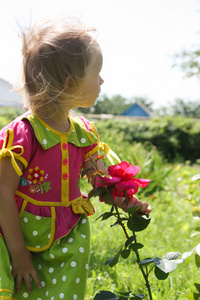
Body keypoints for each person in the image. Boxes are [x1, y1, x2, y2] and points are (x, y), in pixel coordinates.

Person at [0, 19, 151, 300]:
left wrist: (128, 203)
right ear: (70, 85)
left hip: (68, 239)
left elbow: (101, 182)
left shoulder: (83, 132)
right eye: (97, 73)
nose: (102, 81)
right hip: (20, 239)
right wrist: (19, 256)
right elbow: (2, 193)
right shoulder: (25, 134)